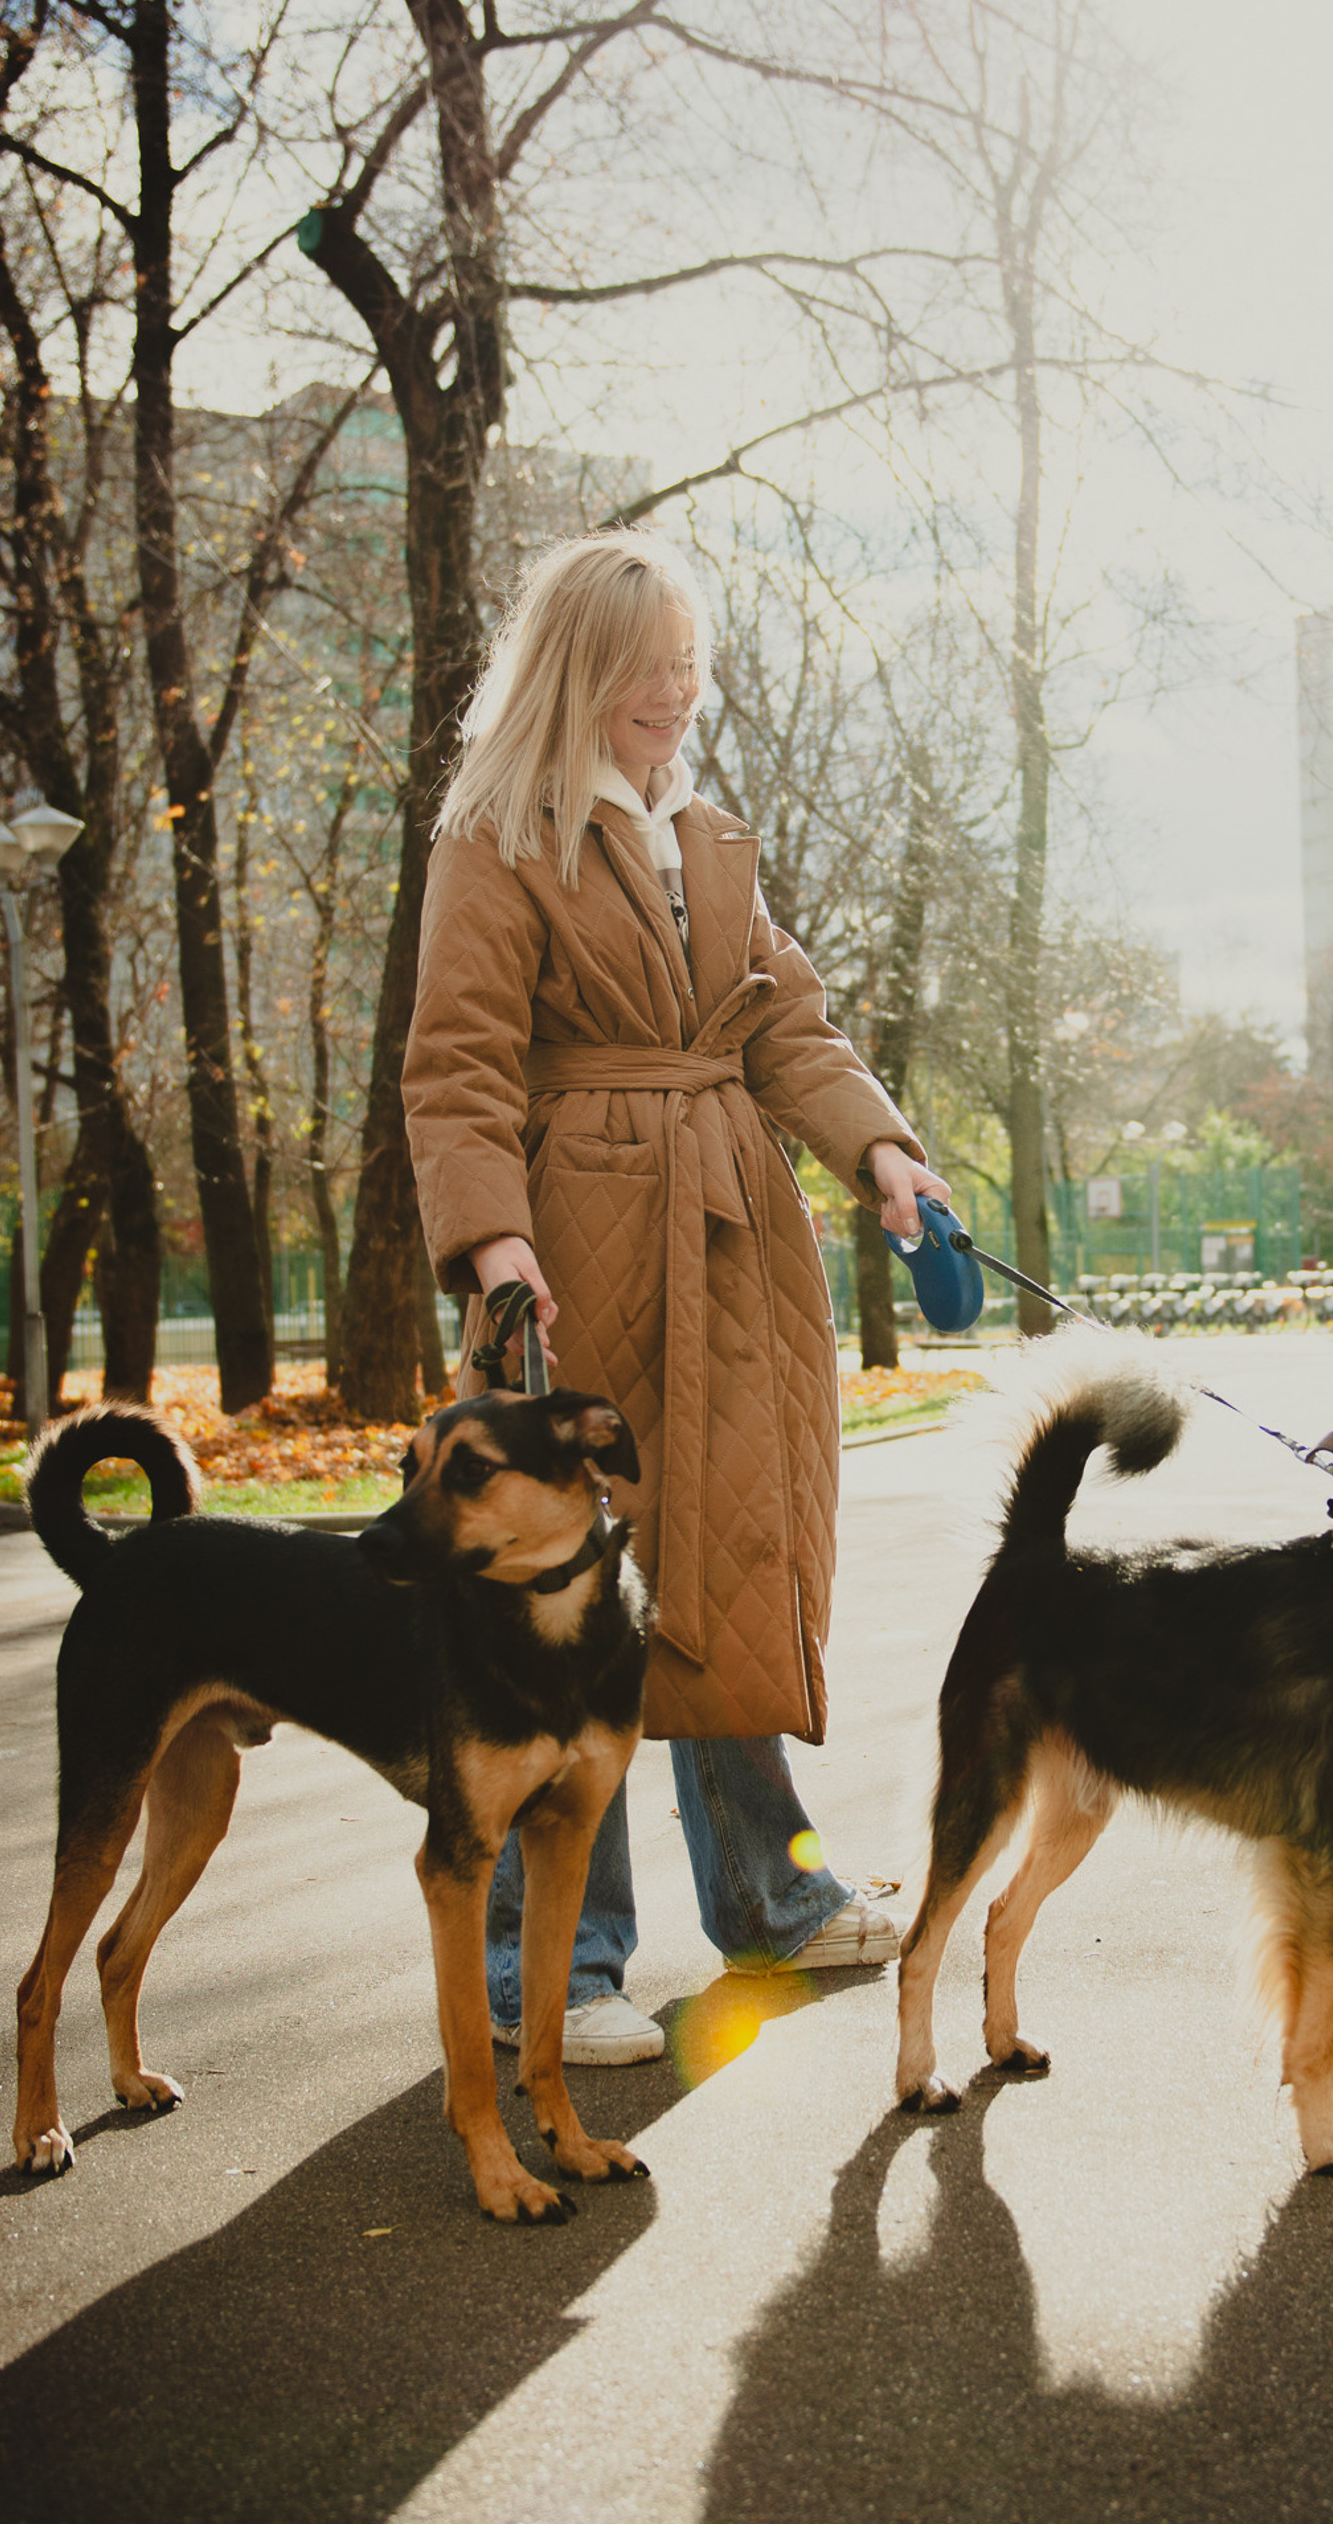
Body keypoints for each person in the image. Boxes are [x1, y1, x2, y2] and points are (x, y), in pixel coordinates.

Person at [403, 528, 949, 2065]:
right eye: (651, 665)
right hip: (577, 1251)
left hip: (725, 1242)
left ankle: (771, 1901)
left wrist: (884, 1156)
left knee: (727, 1567)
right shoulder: (496, 839)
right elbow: (453, 1065)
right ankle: (555, 1970)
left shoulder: (703, 834)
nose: (680, 688)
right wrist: (494, 1242)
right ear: (580, 669)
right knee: (561, 1604)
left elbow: (791, 1027)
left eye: (692, 660)